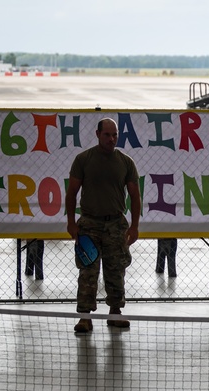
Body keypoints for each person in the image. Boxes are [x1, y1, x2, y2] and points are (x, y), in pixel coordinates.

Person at [66, 118, 141, 334]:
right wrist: (71, 222)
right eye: (107, 135)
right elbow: (71, 193)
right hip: (89, 224)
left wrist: (134, 226)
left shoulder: (126, 162)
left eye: (115, 135)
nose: (111, 139)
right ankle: (84, 317)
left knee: (116, 270)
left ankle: (115, 312)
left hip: (116, 224)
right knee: (88, 272)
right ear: (97, 134)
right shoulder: (84, 160)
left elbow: (135, 196)